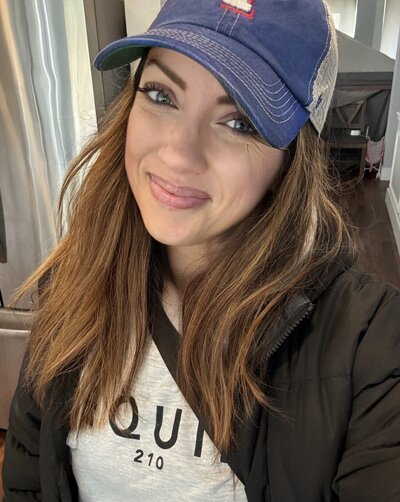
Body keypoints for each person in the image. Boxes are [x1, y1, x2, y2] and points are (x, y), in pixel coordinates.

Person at [3, 0, 400, 501]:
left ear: (290, 161)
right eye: (161, 95)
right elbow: (29, 476)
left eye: (239, 123)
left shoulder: (372, 346)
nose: (178, 154)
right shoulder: (73, 278)